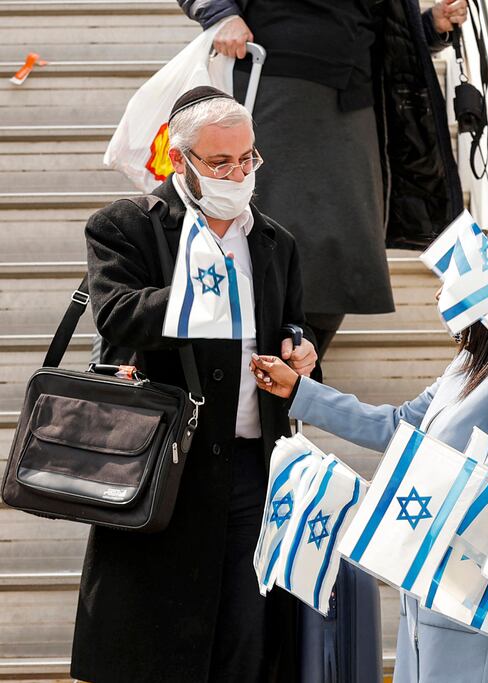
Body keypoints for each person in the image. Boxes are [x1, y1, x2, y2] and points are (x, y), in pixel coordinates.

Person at [249, 228, 488, 683]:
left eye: (452, 280)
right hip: (441, 585)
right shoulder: (467, 365)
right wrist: (301, 390)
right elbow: (397, 422)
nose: (440, 293)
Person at [73, 86, 317, 683]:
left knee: (247, 638)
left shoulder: (274, 241)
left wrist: (301, 351)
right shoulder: (127, 226)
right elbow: (118, 314)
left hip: (251, 468)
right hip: (161, 463)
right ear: (181, 161)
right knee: (155, 641)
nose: (238, 173)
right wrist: (202, 291)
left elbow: (293, 323)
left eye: (248, 158)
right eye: (220, 162)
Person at [177, 0, 467, 354]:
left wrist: (426, 28)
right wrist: (219, 14)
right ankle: (248, 384)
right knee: (252, 247)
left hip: (355, 97)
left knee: (339, 264)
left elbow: (379, 24)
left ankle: (287, 378)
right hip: (269, 77)